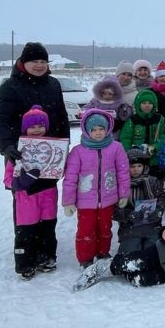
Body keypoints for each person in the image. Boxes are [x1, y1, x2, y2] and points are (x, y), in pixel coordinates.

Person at [62, 109, 130, 268]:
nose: (98, 133)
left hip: (108, 199)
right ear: (87, 130)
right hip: (86, 202)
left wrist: (124, 194)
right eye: (94, 129)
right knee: (86, 230)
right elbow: (70, 178)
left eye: (102, 129)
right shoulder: (78, 151)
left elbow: (123, 172)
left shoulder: (116, 148)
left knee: (105, 228)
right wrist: (68, 201)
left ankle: (103, 253)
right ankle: (85, 258)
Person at [4, 105, 60, 280]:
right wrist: (22, 181)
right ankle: (25, 263)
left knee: (47, 230)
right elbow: (7, 180)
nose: (37, 130)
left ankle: (46, 257)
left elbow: (60, 167)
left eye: (41, 126)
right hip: (26, 199)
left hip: (48, 195)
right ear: (25, 128)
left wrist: (60, 166)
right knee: (26, 232)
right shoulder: (17, 150)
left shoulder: (53, 145)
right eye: (33, 126)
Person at [0, 42, 69, 163]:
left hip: (51, 150)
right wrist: (6, 146)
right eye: (34, 61)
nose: (39, 65)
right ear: (24, 63)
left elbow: (61, 116)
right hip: (19, 152)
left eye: (43, 62)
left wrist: (65, 142)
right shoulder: (9, 87)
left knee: (48, 182)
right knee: (19, 182)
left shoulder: (54, 84)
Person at [113, 148, 165, 254]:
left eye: (139, 166)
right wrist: (128, 214)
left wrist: (158, 211)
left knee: (154, 253)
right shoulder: (120, 184)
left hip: (152, 225)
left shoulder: (152, 181)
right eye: (132, 166)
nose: (136, 169)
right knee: (129, 257)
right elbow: (113, 209)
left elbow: (162, 198)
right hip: (130, 227)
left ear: (144, 166)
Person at [120, 89, 165, 175]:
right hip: (137, 159)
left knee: (153, 178)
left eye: (150, 103)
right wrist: (129, 153)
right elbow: (126, 138)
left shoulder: (159, 119)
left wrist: (155, 147)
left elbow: (163, 136)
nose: (147, 105)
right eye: (144, 103)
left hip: (154, 158)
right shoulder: (132, 120)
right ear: (138, 105)